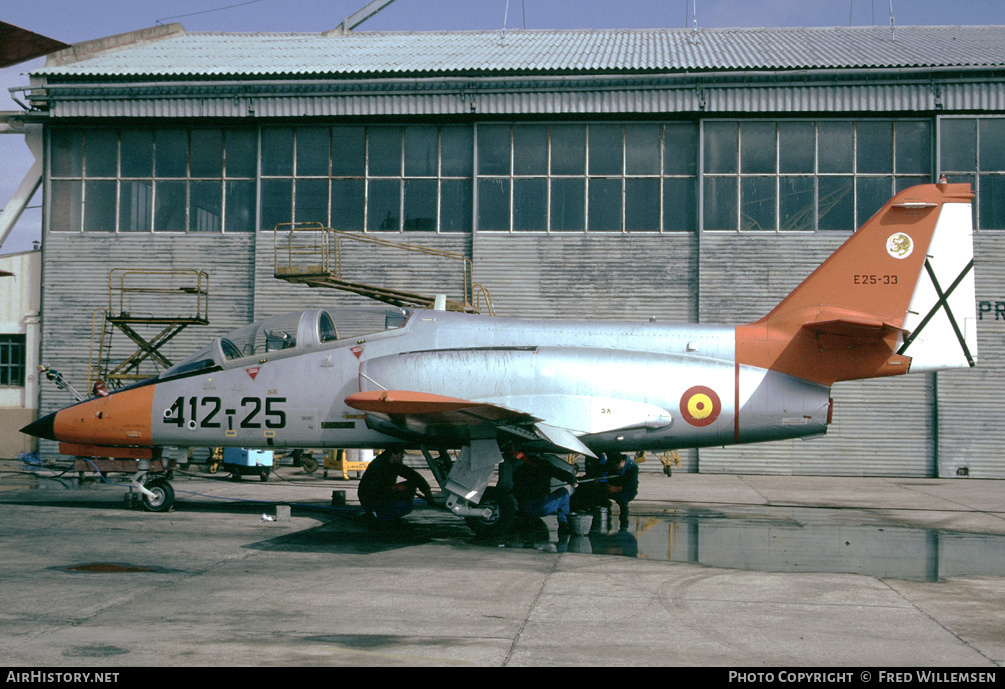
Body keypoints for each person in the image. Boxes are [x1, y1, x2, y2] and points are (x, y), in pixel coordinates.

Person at [357, 449, 435, 524]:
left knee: (410, 485)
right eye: (401, 455)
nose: (402, 457)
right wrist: (393, 488)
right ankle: (378, 516)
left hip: (382, 495)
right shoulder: (378, 466)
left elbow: (412, 475)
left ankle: (385, 515)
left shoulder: (393, 465)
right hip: (371, 499)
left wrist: (426, 490)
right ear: (394, 454)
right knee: (403, 506)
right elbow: (372, 488)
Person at [511, 452, 578, 534]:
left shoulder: (521, 469)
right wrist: (572, 480)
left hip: (524, 509)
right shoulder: (543, 465)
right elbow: (561, 473)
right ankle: (564, 524)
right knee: (564, 493)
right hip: (541, 507)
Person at [571, 451, 638, 530]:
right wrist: (596, 479)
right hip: (610, 486)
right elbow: (599, 475)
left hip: (625, 490)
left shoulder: (632, 467)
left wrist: (616, 489)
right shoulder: (610, 464)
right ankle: (604, 516)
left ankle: (624, 523)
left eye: (614, 466)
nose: (612, 468)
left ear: (622, 462)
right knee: (594, 492)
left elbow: (632, 487)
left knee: (623, 501)